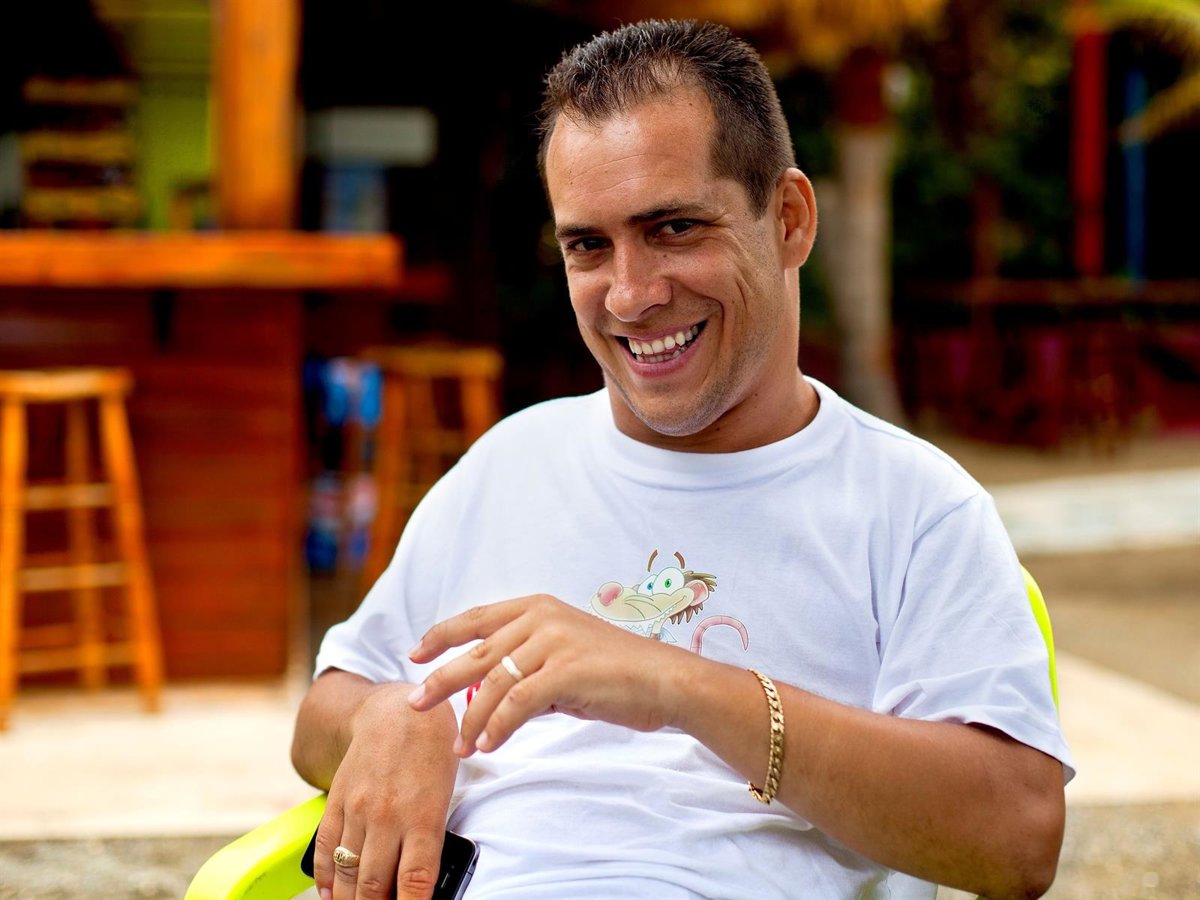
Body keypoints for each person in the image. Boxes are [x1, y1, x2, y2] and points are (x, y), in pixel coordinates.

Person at [292, 19, 1073, 900]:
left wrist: (678, 685)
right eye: (588, 246)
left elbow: (1017, 839)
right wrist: (387, 717)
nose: (630, 296)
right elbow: (322, 715)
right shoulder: (508, 465)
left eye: (673, 227)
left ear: (789, 220)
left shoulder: (914, 508)